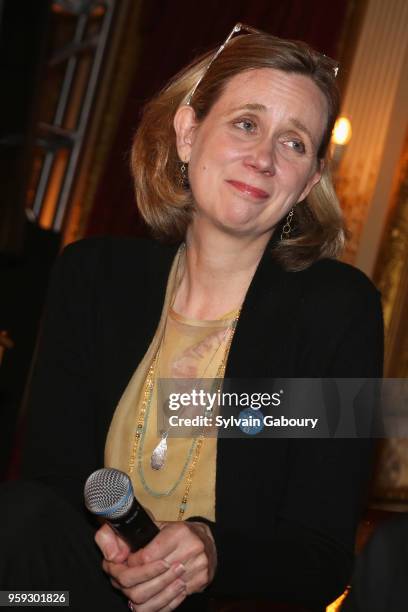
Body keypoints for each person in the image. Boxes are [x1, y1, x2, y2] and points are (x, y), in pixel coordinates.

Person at [0, 23, 383, 612]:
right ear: (187, 132)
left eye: (294, 143)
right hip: (69, 592)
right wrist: (111, 553)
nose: (262, 158)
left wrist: (212, 548)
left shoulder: (337, 311)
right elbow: (50, 489)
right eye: (246, 123)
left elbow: (322, 556)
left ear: (309, 181)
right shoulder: (93, 277)